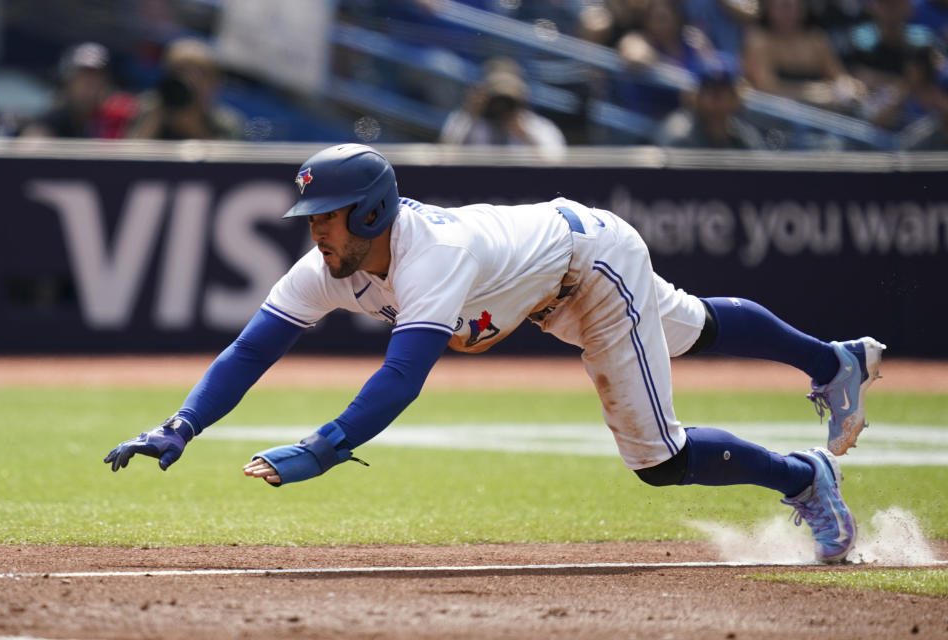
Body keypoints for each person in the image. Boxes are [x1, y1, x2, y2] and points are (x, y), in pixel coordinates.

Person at [105, 144, 886, 564]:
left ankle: (804, 478)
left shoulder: (426, 257)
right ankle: (833, 362)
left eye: (329, 216)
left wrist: (326, 446)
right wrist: (183, 424)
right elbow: (251, 350)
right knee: (694, 328)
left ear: (373, 211)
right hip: (550, 279)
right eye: (310, 216)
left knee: (656, 457)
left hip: (589, 267)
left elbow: (402, 376)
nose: (316, 230)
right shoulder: (330, 268)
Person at [741, 0, 864, 111]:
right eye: (784, 5)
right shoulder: (758, 40)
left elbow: (839, 76)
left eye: (796, 5)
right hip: (774, 120)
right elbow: (767, 89)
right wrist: (818, 95)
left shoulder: (816, 39)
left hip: (818, 119)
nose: (790, 11)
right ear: (768, 7)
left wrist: (848, 88)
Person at [125, 37, 242, 141]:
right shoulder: (144, 107)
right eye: (180, 70)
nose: (189, 79)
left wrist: (194, 129)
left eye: (200, 73)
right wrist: (154, 118)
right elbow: (125, 161)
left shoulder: (225, 122)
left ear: (215, 82)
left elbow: (229, 163)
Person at [439, 59, 567, 152]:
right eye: (496, 97)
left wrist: (524, 134)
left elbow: (557, 168)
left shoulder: (540, 128)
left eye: (507, 99)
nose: (500, 107)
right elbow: (443, 160)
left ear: (522, 96)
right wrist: (470, 116)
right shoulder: (464, 121)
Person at [20, 42, 136, 139]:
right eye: (81, 78)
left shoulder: (121, 118)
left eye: (95, 78)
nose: (89, 85)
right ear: (68, 82)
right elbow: (31, 147)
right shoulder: (53, 120)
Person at [657, 59, 765, 148]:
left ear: (735, 96)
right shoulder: (679, 134)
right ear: (696, 95)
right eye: (708, 90)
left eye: (723, 90)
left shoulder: (744, 136)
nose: (716, 98)